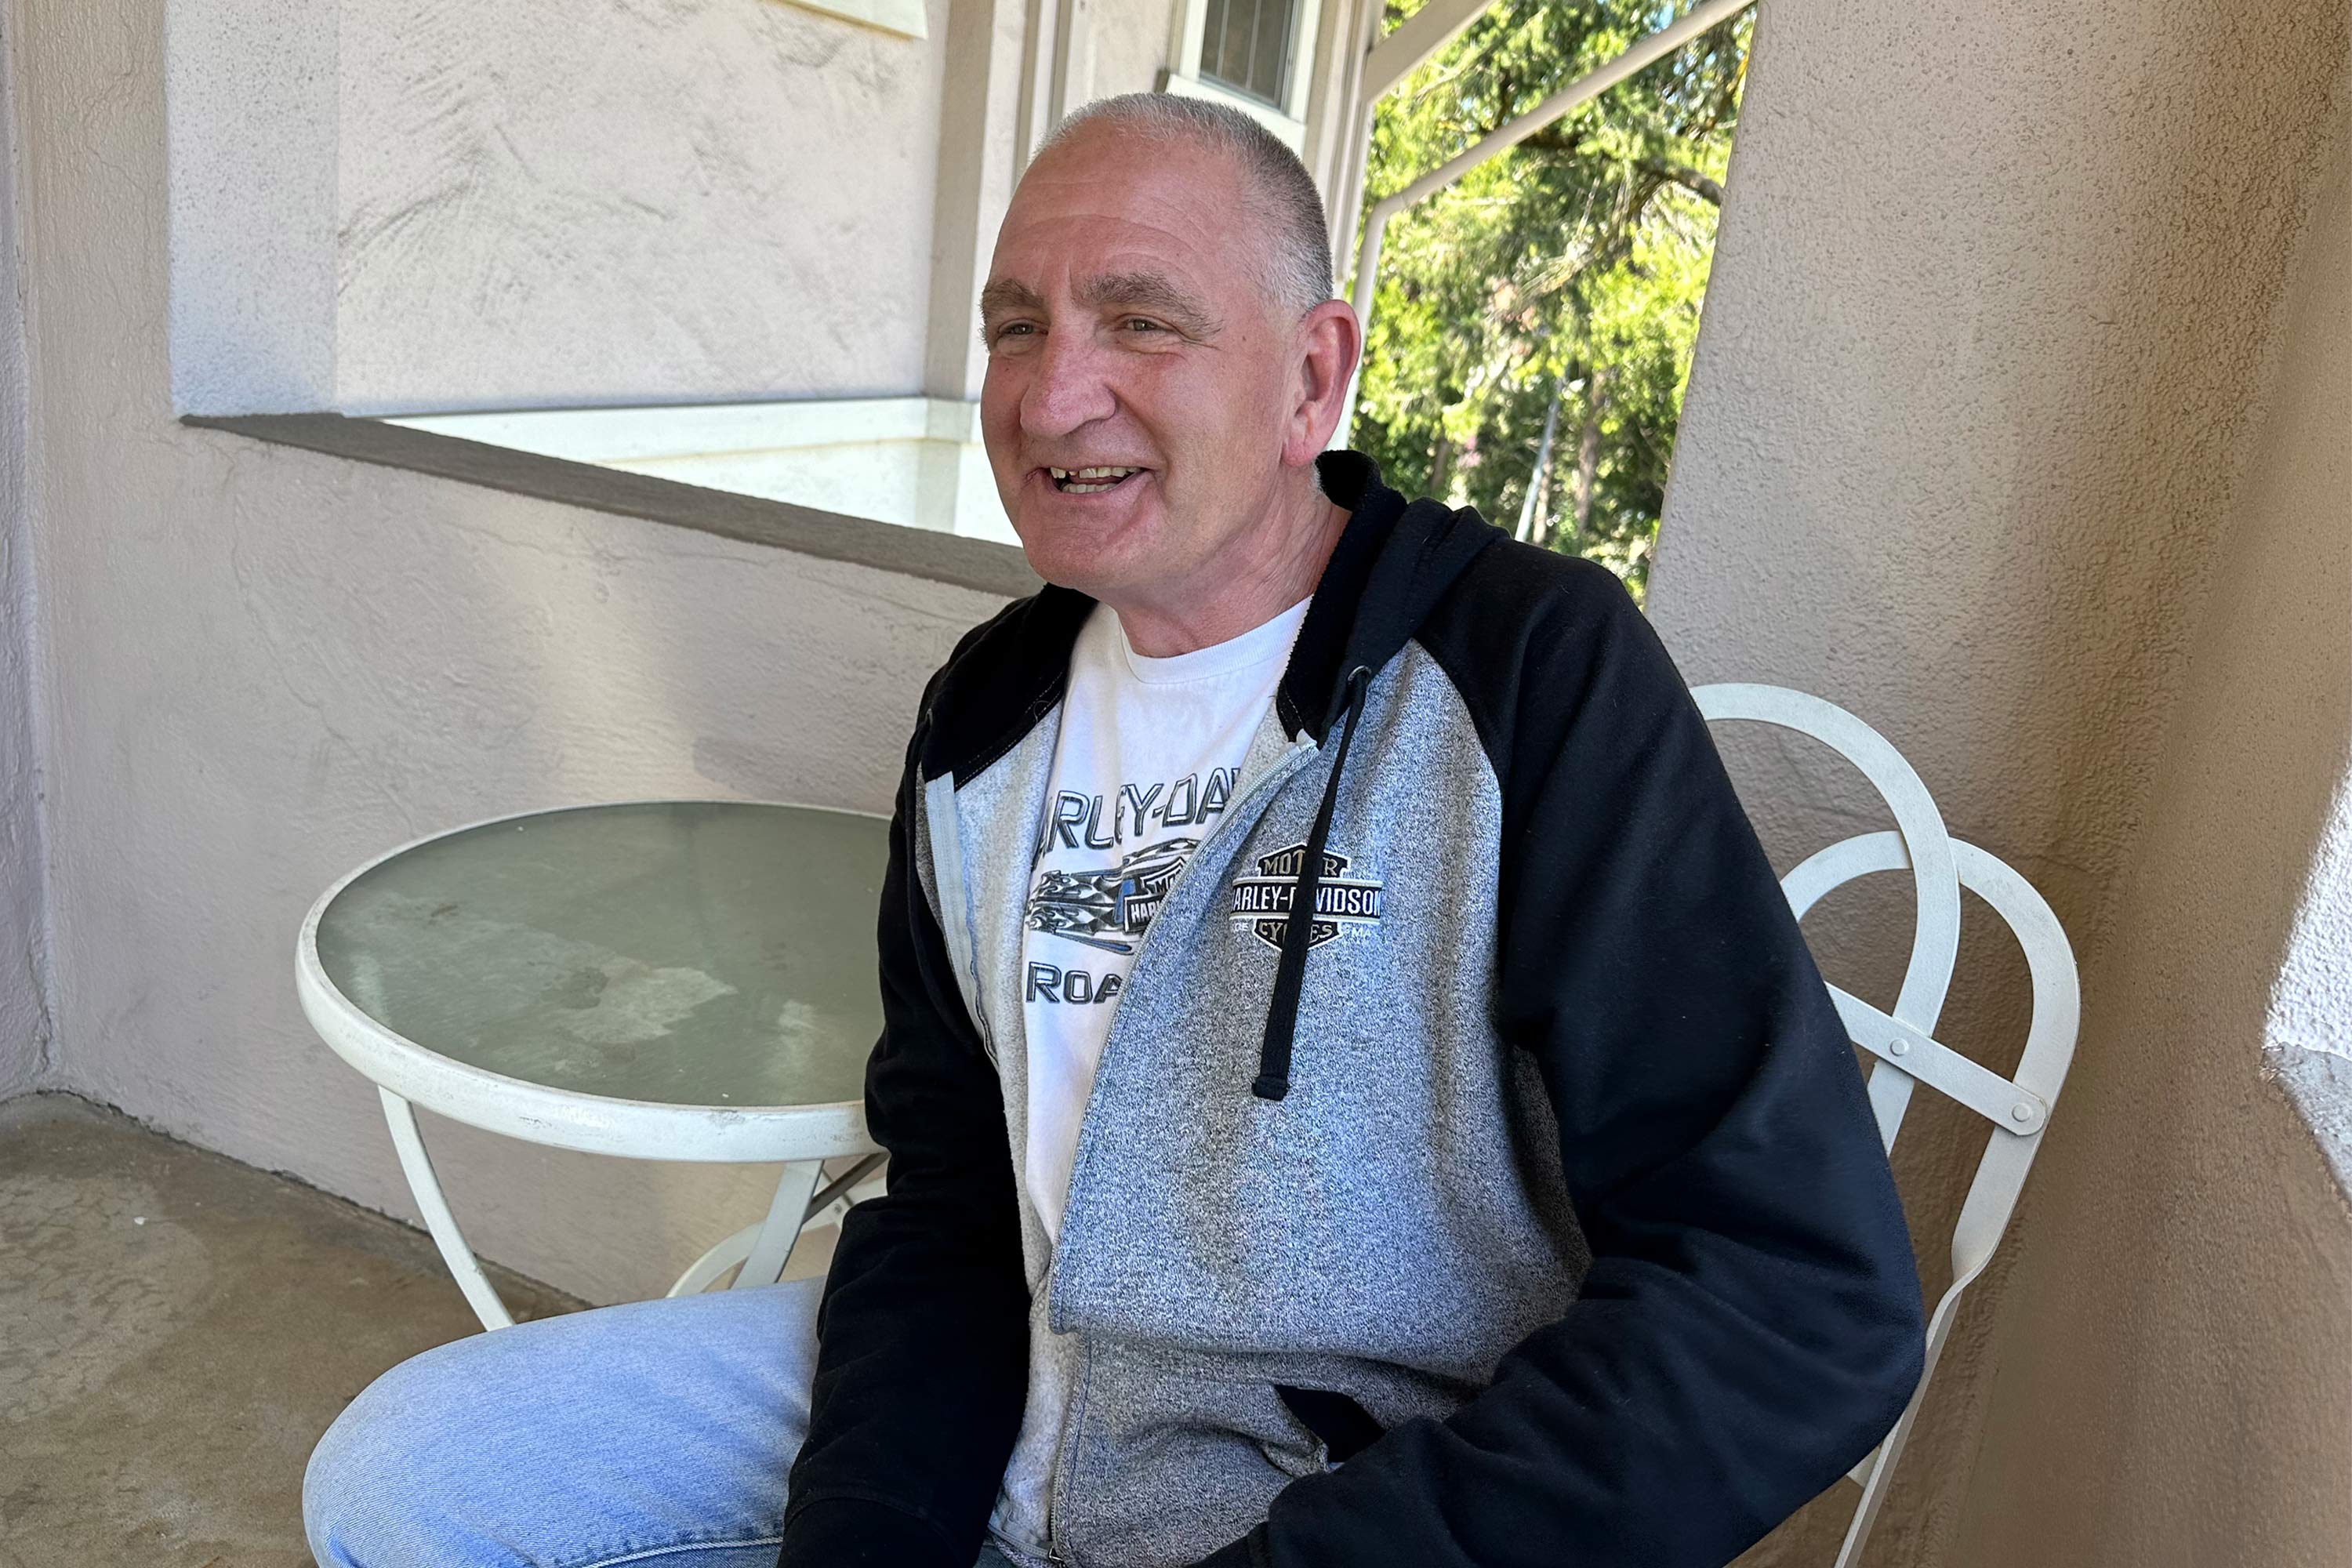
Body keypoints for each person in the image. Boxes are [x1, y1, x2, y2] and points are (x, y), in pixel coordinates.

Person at [304, 93, 1924, 1568]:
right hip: (1019, 1389)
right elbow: (944, 1200)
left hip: (1340, 1498)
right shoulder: (984, 716)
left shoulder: (1524, 673)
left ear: (1311, 376)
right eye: (1019, 324)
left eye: (1139, 319)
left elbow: (1796, 1299)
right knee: (408, 1480)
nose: (1052, 390)